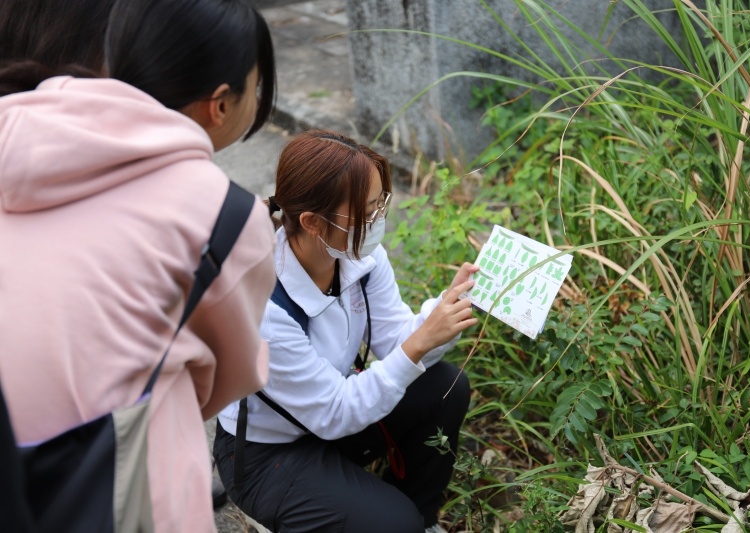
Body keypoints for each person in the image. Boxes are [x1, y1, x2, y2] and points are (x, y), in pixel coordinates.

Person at [0, 0, 278, 531]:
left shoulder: (12, 128)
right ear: (220, 104)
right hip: (124, 486)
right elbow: (227, 378)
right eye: (255, 85)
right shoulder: (227, 216)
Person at [215, 130, 479, 533]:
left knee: (446, 386)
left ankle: (420, 520)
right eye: (367, 210)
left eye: (380, 204)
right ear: (312, 223)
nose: (378, 220)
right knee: (393, 524)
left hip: (326, 416)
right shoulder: (264, 305)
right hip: (266, 454)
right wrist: (422, 339)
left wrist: (448, 310)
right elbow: (335, 411)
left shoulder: (359, 257)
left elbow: (395, 340)